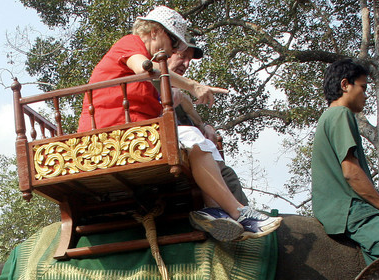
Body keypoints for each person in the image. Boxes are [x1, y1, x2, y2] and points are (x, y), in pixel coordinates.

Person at [78, 5, 282, 241]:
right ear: (154, 31)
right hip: (114, 134)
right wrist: (193, 86)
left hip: (131, 132)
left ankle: (214, 210)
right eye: (174, 43)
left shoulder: (144, 81)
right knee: (191, 136)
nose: (174, 49)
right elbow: (145, 67)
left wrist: (197, 116)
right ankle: (239, 211)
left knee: (199, 139)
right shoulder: (131, 42)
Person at [311, 58, 379, 264]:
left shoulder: (328, 117)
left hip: (342, 208)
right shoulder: (340, 114)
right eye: (363, 88)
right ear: (345, 85)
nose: (365, 96)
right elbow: (351, 172)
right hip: (352, 210)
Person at [165, 47, 248, 207]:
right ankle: (222, 213)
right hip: (162, 150)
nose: (187, 63)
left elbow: (189, 110)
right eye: (182, 56)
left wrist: (205, 126)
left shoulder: (176, 90)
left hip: (187, 152)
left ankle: (240, 219)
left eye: (190, 60)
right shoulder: (150, 78)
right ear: (168, 52)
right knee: (196, 140)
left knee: (227, 173)